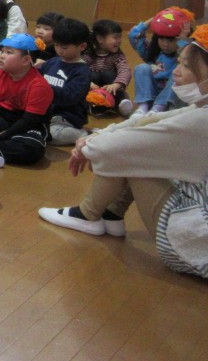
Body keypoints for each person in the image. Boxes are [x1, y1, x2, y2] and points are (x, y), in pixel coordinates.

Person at [38, 28, 208, 280]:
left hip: (194, 245)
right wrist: (98, 136)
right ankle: (111, 214)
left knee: (132, 153)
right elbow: (149, 121)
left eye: (186, 66)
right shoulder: (200, 110)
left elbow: (127, 143)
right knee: (130, 146)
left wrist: (89, 146)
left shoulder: (202, 120)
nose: (175, 71)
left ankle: (88, 214)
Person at [0, 34, 53, 167]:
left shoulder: (39, 85)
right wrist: (1, 127)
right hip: (1, 119)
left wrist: (5, 134)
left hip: (28, 126)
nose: (2, 56)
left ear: (26, 60)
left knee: (32, 149)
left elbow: (30, 120)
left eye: (9, 52)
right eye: (2, 51)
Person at [40, 18, 92, 145]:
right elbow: (37, 77)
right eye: (56, 45)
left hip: (66, 118)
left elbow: (69, 98)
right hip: (44, 113)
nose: (59, 50)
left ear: (82, 46)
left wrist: (44, 88)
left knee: (51, 135)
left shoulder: (82, 72)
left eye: (64, 47)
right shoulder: (52, 62)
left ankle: (85, 134)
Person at [128, 8, 184, 115]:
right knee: (141, 68)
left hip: (170, 99)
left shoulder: (183, 54)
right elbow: (133, 35)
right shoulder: (153, 51)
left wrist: (184, 35)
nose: (165, 44)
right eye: (161, 39)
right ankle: (143, 106)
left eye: (171, 40)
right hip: (151, 95)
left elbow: (189, 46)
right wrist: (155, 20)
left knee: (177, 73)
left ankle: (159, 107)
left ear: (179, 39)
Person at [83, 19, 133, 116]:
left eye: (120, 37)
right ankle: (91, 104)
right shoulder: (89, 54)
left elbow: (124, 70)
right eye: (115, 37)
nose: (119, 41)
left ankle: (121, 102)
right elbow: (80, 69)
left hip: (111, 89)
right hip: (93, 89)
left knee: (108, 74)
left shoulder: (117, 55)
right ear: (100, 39)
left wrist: (117, 84)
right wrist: (88, 82)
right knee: (93, 75)